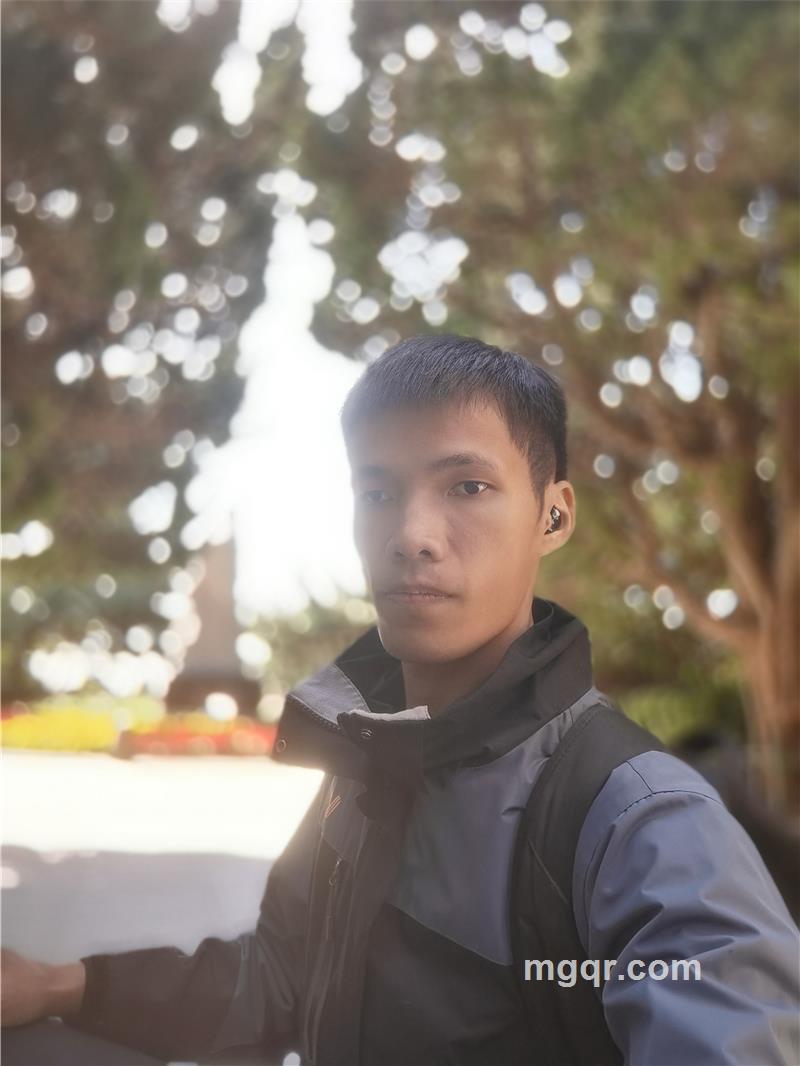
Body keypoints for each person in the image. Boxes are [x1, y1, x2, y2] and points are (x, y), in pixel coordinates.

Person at [2, 334, 799, 1066]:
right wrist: (63, 984)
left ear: (553, 515)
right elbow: (282, 977)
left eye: (468, 486)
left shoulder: (639, 819)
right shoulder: (370, 757)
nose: (411, 533)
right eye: (377, 491)